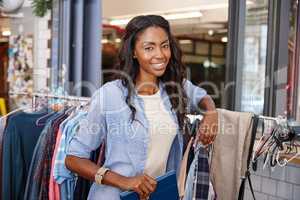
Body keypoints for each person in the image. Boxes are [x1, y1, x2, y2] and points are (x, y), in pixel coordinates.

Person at [65, 15, 217, 200]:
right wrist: (124, 181)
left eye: (165, 45)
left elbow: (204, 97)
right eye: (149, 48)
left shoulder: (175, 87)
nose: (160, 55)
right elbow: (73, 158)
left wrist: (211, 114)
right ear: (134, 52)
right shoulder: (110, 95)